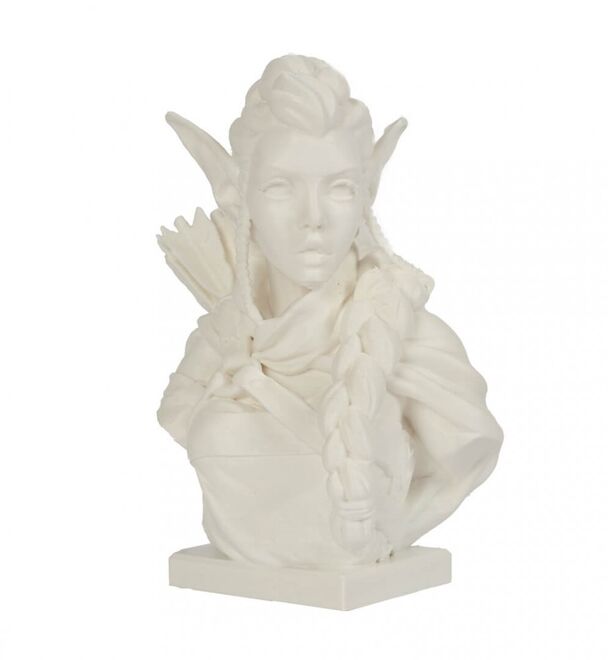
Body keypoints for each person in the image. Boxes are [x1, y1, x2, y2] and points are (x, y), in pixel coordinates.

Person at [157, 54, 503, 568]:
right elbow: (176, 416)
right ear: (238, 195)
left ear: (367, 194)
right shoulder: (221, 342)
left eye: (339, 187)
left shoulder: (412, 341)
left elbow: (468, 455)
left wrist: (394, 528)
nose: (313, 218)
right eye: (281, 187)